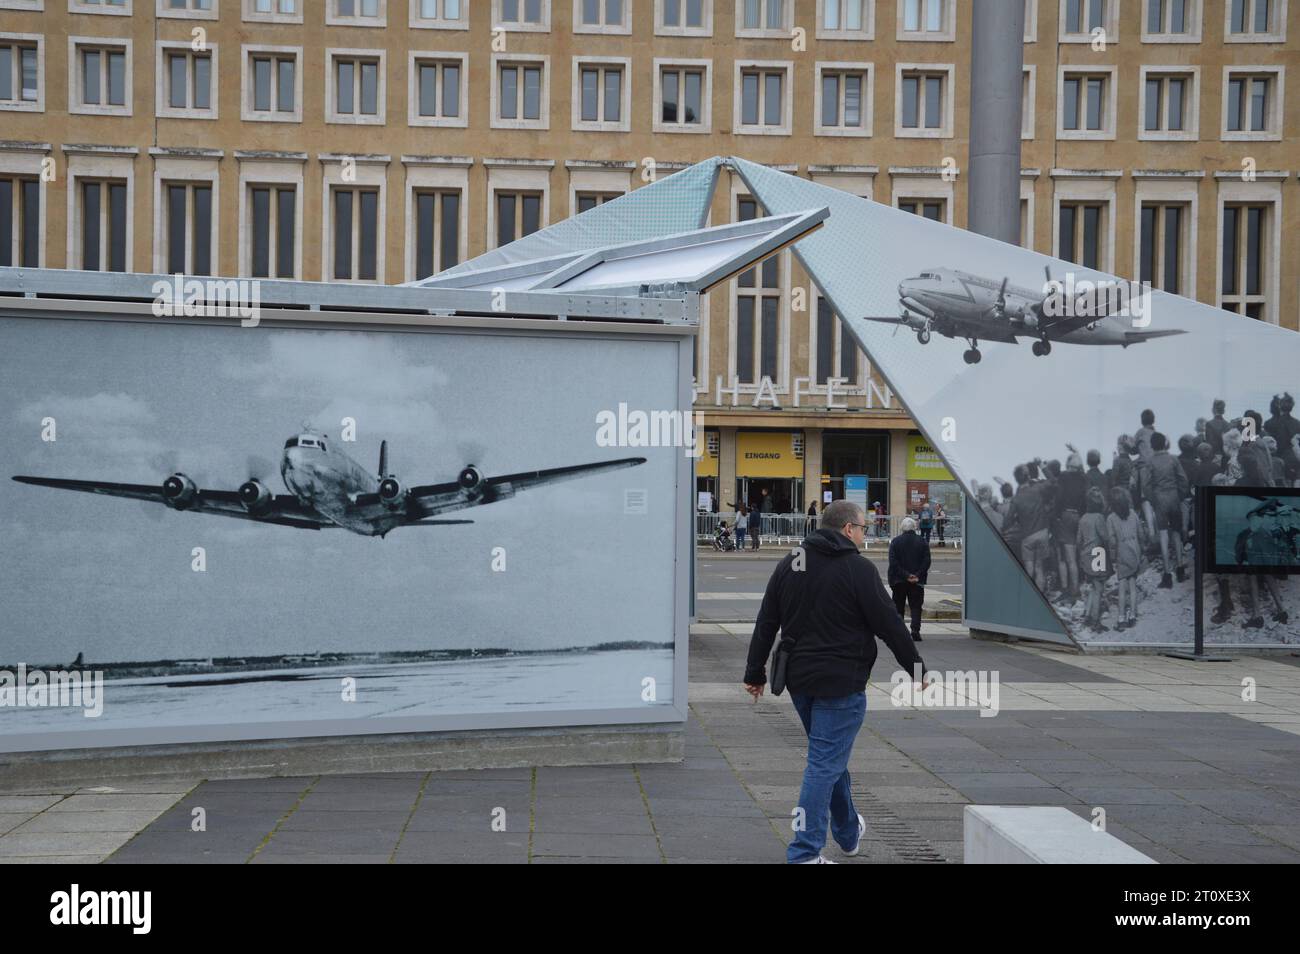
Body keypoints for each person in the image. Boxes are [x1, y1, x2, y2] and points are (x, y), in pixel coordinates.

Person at [743, 500, 926, 865]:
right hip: (842, 682)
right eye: (863, 528)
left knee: (829, 757)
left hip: (799, 680)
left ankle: (847, 832)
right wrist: (916, 667)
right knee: (823, 763)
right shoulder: (857, 569)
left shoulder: (792, 562)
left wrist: (754, 672)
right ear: (848, 529)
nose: (864, 534)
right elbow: (888, 623)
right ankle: (805, 852)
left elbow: (767, 621)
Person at [1146, 432, 1189, 587]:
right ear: (1164, 443)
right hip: (1174, 498)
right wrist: (1181, 495)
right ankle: (1180, 569)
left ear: (1152, 445)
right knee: (1176, 533)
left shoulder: (1150, 462)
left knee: (1163, 534)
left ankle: (1167, 575)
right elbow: (1183, 480)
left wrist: (1153, 499)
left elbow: (1146, 485)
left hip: (1159, 499)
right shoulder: (1173, 459)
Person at [1106, 486, 1145, 631]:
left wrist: (1112, 558)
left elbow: (1111, 541)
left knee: (1122, 587)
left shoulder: (1111, 518)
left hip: (1122, 552)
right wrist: (1142, 549)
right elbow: (1141, 533)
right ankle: (1133, 615)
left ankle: (1121, 617)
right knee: (1133, 586)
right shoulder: (1133, 514)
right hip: (1135, 550)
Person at [888, 516, 931, 642]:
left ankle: (901, 632)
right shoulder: (922, 541)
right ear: (915, 527)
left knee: (898, 606)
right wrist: (916, 575)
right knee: (916, 606)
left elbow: (893, 563)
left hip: (898, 580)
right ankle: (915, 630)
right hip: (917, 581)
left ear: (902, 528)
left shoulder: (895, 542)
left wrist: (906, 575)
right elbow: (926, 561)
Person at [1077, 487, 1111, 632]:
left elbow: (1078, 540)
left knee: (1092, 587)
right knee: (1099, 589)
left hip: (1085, 555)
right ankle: (1096, 622)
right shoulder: (1099, 518)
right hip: (1098, 554)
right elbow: (1105, 538)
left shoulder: (1083, 517)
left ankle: (1088, 616)